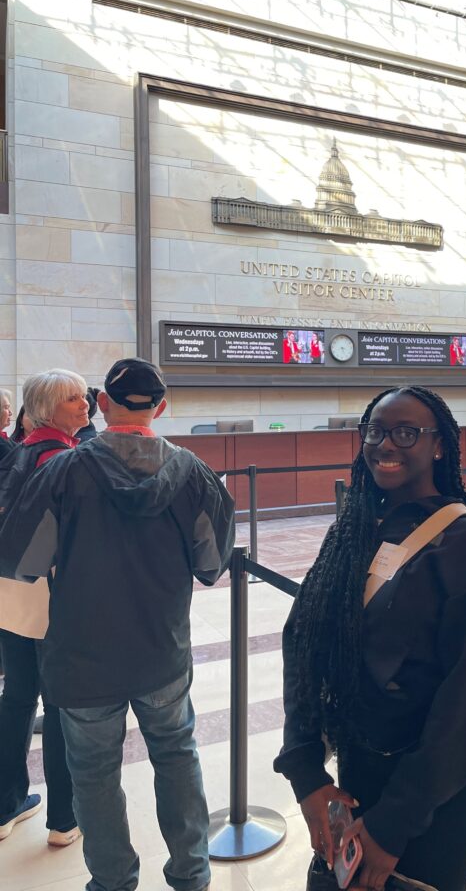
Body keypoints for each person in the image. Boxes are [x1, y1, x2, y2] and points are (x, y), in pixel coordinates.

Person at [1, 357, 235, 891]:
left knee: (94, 773)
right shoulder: (194, 473)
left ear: (101, 406)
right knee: (177, 757)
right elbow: (211, 564)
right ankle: (191, 875)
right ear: (162, 407)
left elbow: (22, 562)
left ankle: (112, 882)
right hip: (162, 652)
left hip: (81, 659)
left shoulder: (61, 472)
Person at [274, 385, 466, 891]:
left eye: (406, 433)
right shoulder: (355, 529)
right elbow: (302, 638)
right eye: (376, 431)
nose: (386, 445)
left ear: (439, 446)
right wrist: (305, 767)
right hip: (360, 764)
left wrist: (394, 823)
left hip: (436, 788)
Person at [0, 368, 87, 845]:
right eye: (73, 398)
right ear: (50, 408)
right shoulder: (64, 460)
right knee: (57, 705)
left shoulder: (19, 452)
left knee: (16, 698)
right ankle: (63, 819)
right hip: (48, 597)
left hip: (10, 595)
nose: (86, 403)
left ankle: (5, 804)